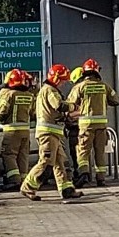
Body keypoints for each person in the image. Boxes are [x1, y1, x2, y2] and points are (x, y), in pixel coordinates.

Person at [21, 64, 83, 201]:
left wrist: (67, 116)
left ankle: (66, 189)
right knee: (46, 161)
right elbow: (59, 105)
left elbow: (54, 112)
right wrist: (74, 106)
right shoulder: (50, 91)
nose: (63, 83)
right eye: (62, 80)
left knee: (60, 162)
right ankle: (28, 187)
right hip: (48, 134)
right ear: (56, 78)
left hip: (53, 133)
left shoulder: (48, 90)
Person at [68, 58, 119, 188]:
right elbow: (116, 100)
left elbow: (69, 105)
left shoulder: (79, 87)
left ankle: (84, 174)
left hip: (86, 126)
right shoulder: (104, 86)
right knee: (100, 152)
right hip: (101, 127)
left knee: (83, 151)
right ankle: (101, 179)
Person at [0, 68, 35, 189]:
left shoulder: (9, 94)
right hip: (25, 131)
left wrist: (0, 120)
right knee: (23, 156)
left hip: (12, 130)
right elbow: (33, 113)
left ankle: (14, 180)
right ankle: (23, 180)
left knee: (9, 154)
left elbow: (3, 111)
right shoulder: (29, 95)